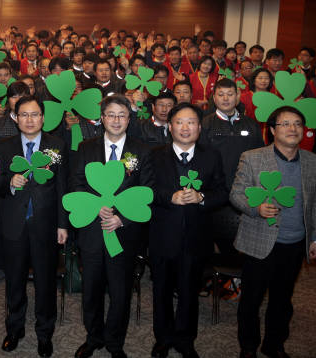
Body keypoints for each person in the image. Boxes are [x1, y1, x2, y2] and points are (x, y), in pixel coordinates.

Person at [231, 107, 316, 358]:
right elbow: (236, 194)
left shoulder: (315, 162)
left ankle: (274, 345)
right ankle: (248, 347)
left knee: (283, 300)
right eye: (285, 124)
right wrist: (255, 208)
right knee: (251, 299)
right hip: (259, 240)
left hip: (294, 243)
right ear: (272, 130)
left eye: (297, 124)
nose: (292, 129)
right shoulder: (252, 157)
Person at [71, 95, 152, 358]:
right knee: (91, 290)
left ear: (129, 119)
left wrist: (122, 217)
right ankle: (93, 337)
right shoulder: (86, 147)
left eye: (122, 115)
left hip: (124, 233)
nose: (116, 120)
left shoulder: (141, 150)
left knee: (120, 293)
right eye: (111, 115)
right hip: (93, 230)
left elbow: (146, 190)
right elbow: (77, 183)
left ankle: (115, 342)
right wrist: (96, 207)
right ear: (102, 118)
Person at [147, 103, 228, 358]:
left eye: (191, 122)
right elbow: (146, 190)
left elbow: (222, 193)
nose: (185, 127)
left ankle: (185, 339)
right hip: (162, 235)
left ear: (199, 127)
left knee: (189, 291)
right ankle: (163, 338)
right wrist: (169, 197)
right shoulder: (154, 155)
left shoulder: (211, 155)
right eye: (179, 122)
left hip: (196, 237)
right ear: (170, 127)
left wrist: (202, 197)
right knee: (160, 290)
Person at [0, 95, 68, 357]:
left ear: (43, 118)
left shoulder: (56, 145)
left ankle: (44, 333)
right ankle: (14, 330)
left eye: (35, 114)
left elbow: (62, 187)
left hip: (45, 226)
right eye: (23, 115)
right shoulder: (5, 147)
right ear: (15, 118)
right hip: (14, 225)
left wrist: (62, 224)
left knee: (45, 282)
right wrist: (9, 183)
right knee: (14, 282)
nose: (29, 120)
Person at [200, 78, 265, 254]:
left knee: (241, 241)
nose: (226, 98)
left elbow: (260, 158)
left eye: (230, 94)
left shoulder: (251, 125)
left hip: (245, 191)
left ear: (237, 96)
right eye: (221, 94)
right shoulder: (205, 124)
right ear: (214, 97)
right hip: (215, 192)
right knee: (212, 241)